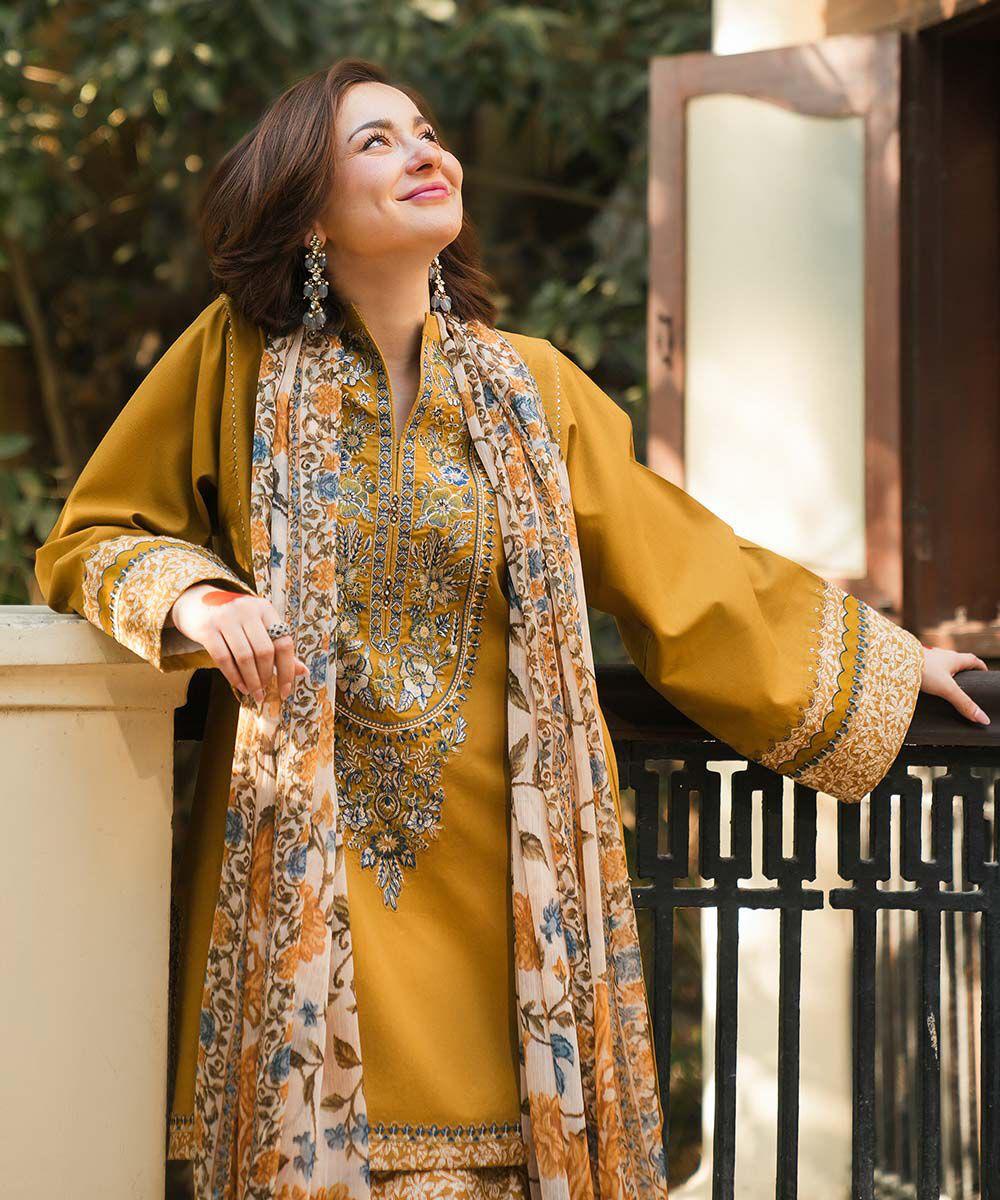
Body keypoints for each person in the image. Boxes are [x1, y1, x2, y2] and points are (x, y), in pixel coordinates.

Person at [34, 56, 988, 1200]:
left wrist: (889, 664)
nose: (424, 153)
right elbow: (92, 536)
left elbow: (684, 572)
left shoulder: (530, 387)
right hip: (303, 869)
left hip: (513, 892)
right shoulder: (230, 364)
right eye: (374, 144)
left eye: (426, 132)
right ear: (306, 212)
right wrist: (196, 597)